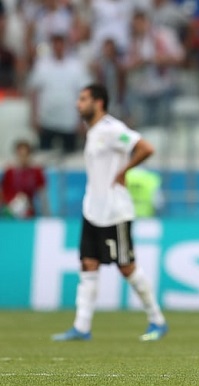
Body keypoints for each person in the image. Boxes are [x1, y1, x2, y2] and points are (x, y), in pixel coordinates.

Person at [51, 83, 168, 342]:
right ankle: (81, 327)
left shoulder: (112, 129)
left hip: (115, 211)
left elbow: (146, 147)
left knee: (126, 267)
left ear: (99, 102)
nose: (78, 104)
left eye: (83, 99)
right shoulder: (93, 131)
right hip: (92, 210)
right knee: (88, 264)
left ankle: (157, 320)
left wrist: (124, 171)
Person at [1, 140, 48, 218]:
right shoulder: (10, 172)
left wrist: (47, 215)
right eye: (20, 155)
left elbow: (43, 196)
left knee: (23, 201)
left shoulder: (36, 172)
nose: (23, 158)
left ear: (30, 155)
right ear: (17, 155)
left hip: (28, 210)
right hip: (9, 210)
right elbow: (2, 193)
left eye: (25, 155)